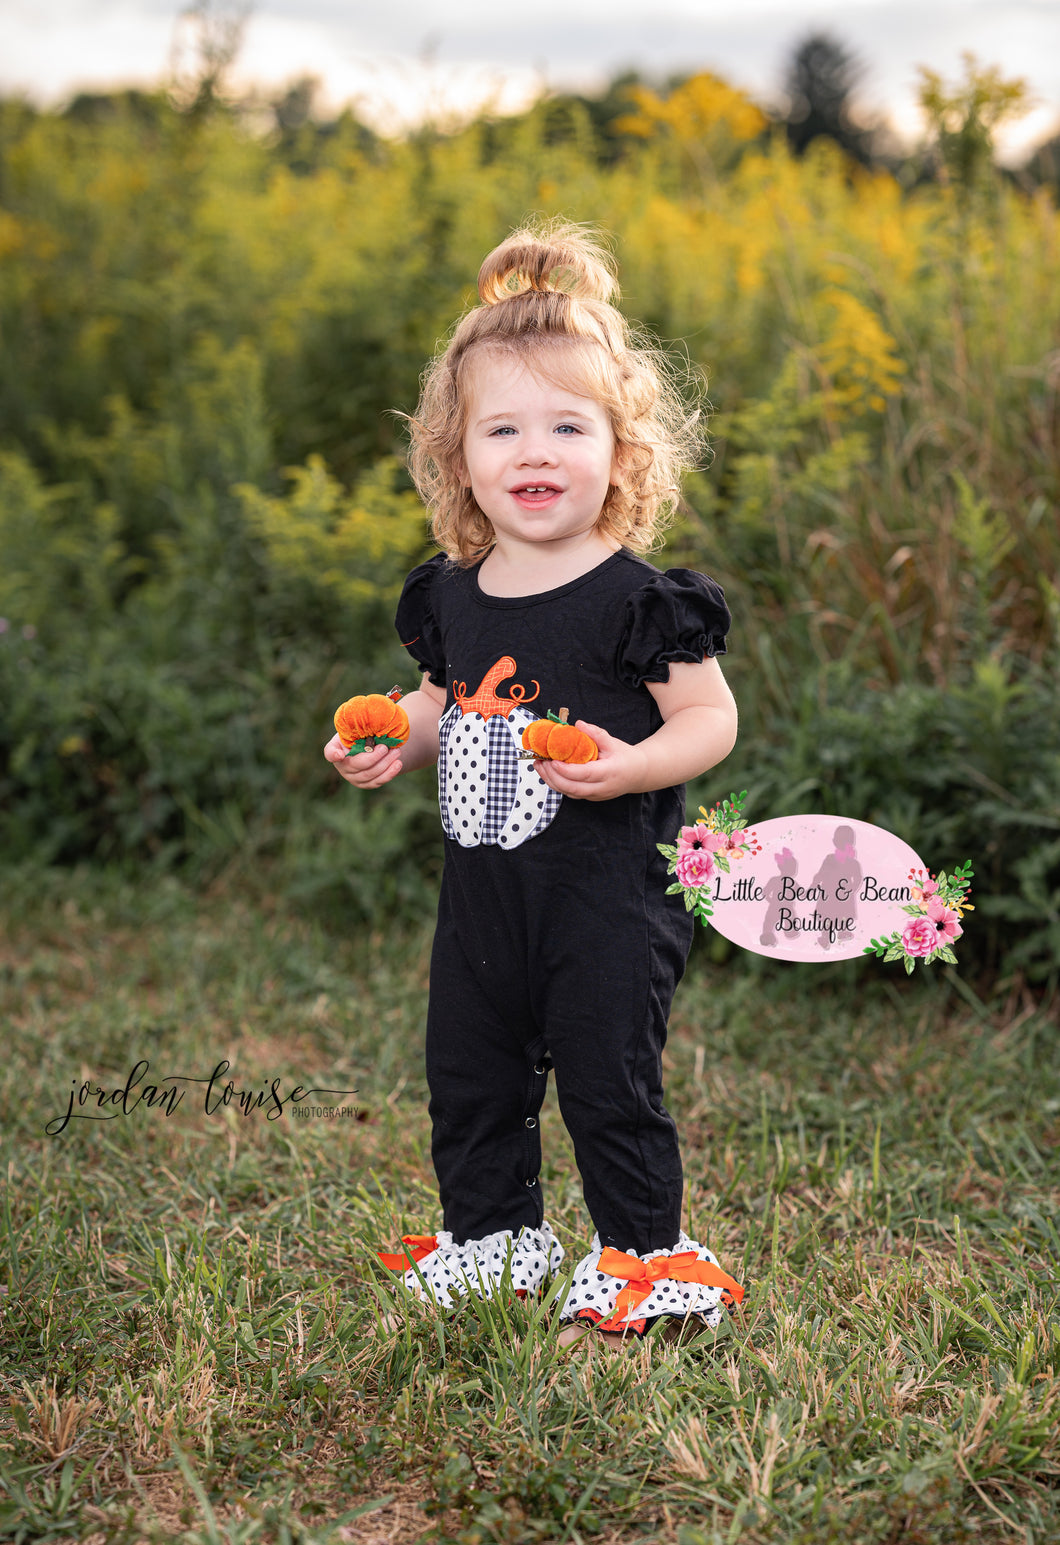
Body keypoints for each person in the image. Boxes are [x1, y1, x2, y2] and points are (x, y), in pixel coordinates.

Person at [324, 222, 743, 1345]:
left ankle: (644, 1259)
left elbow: (708, 718)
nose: (534, 451)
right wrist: (393, 739)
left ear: (622, 449)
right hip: (486, 896)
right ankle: (495, 1240)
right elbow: (439, 702)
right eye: (502, 428)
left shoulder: (635, 599)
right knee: (467, 1068)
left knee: (607, 1077)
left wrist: (636, 767)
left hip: (610, 888)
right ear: (457, 454)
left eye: (568, 424)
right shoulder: (456, 595)